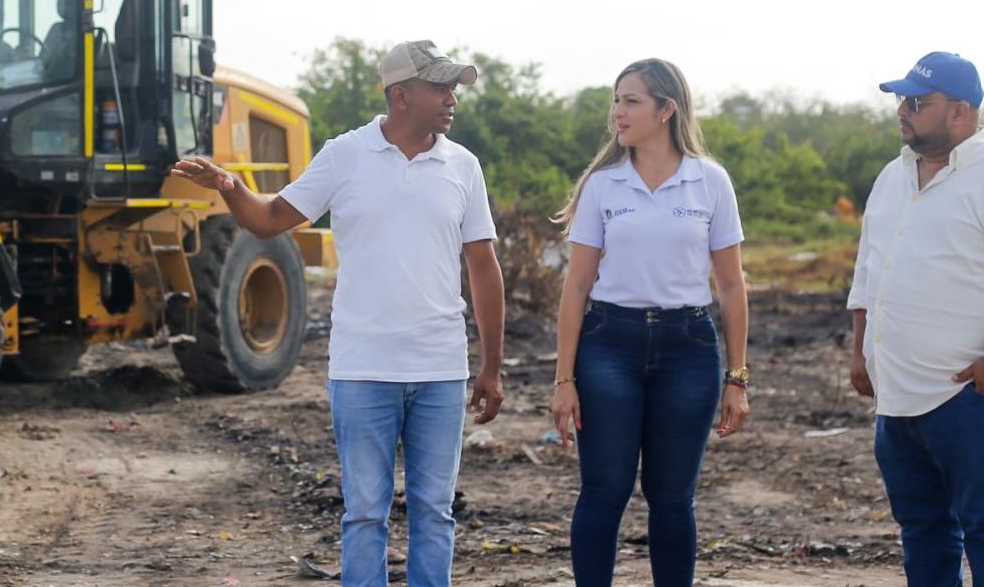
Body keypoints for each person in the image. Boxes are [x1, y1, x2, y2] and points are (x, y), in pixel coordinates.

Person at [171, 40, 505, 587]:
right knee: (365, 512)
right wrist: (230, 187)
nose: (452, 99)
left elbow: (484, 268)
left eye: (453, 88)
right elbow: (271, 217)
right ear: (400, 95)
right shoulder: (344, 155)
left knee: (434, 512)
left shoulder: (463, 166)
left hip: (440, 368)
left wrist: (491, 365)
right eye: (439, 87)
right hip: (363, 369)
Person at [848, 52, 984, 587]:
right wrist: (861, 352)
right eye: (902, 100)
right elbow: (869, 275)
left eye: (918, 102)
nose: (904, 111)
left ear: (961, 112)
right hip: (897, 399)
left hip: (970, 398)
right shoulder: (892, 178)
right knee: (922, 531)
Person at [549, 58, 749, 587]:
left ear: (667, 110)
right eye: (615, 100)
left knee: (671, 496)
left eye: (630, 100)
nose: (617, 111)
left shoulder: (710, 182)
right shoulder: (603, 185)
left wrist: (738, 377)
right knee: (605, 489)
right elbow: (575, 287)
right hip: (607, 347)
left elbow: (730, 287)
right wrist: (563, 379)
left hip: (688, 350)